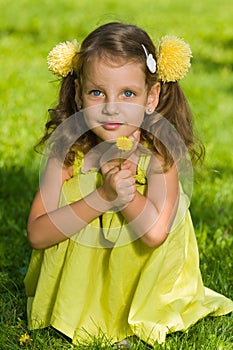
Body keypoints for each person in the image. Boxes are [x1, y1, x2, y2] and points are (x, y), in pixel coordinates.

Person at [24, 22, 233, 347]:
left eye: (128, 93)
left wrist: (125, 196)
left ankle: (131, 313)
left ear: (151, 97)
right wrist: (100, 198)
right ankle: (86, 305)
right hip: (85, 285)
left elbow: (154, 235)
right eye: (97, 92)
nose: (111, 106)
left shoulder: (160, 157)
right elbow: (37, 235)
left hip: (145, 283)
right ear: (78, 95)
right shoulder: (68, 153)